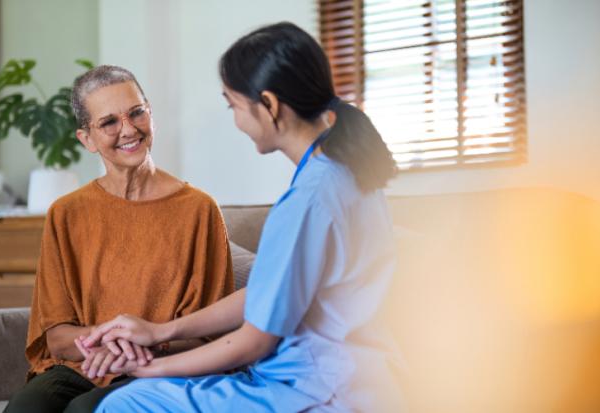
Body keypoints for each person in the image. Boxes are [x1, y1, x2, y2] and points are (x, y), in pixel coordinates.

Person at [82, 22, 402, 412]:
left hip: (318, 388)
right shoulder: (349, 172)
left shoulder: (308, 201)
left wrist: (148, 368)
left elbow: (255, 340)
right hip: (357, 376)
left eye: (233, 105)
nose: (235, 120)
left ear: (268, 105)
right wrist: (161, 331)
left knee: (125, 404)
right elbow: (272, 291)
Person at [2, 65, 235, 413]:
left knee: (86, 410)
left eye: (136, 112)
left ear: (150, 113)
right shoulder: (66, 213)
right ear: (87, 139)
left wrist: (140, 348)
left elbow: (212, 333)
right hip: (85, 365)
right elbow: (56, 337)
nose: (128, 129)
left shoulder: (199, 210)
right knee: (26, 408)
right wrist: (112, 345)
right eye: (109, 122)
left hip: (161, 369)